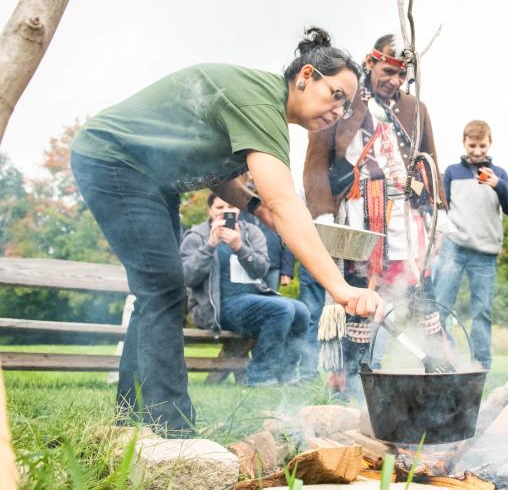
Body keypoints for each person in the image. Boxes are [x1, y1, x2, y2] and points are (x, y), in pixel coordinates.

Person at [70, 27, 385, 435]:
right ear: (306, 75)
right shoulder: (260, 100)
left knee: (156, 292)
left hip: (150, 178)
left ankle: (131, 416)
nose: (338, 112)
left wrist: (253, 206)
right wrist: (341, 290)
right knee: (164, 288)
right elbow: (286, 204)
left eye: (346, 107)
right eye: (336, 95)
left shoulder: (261, 107)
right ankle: (171, 428)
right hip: (113, 159)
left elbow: (215, 170)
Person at [303, 34, 445, 387]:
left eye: (401, 75)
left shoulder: (415, 107)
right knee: (359, 300)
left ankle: (440, 374)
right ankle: (351, 379)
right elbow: (316, 163)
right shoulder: (342, 100)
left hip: (408, 222)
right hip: (358, 215)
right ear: (370, 63)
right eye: (387, 71)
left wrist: (438, 215)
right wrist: (322, 213)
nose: (394, 81)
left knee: (418, 299)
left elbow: (430, 161)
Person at [182, 194, 309, 386]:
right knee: (281, 309)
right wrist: (210, 245)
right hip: (216, 306)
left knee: (301, 311)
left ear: (238, 210)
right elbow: (188, 277)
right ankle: (261, 376)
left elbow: (261, 269)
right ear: (210, 211)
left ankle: (285, 374)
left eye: (231, 206)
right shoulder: (197, 236)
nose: (226, 212)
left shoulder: (251, 232)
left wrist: (239, 247)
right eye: (219, 207)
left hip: (252, 299)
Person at [435, 120, 508, 370]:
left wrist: (498, 186)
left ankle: (481, 363)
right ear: (464, 143)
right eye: (472, 145)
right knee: (440, 305)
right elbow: (441, 208)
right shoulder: (451, 171)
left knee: (482, 311)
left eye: (482, 146)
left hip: (485, 252)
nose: (477, 151)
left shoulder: (500, 174)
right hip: (455, 246)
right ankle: (444, 357)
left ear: (490, 143)